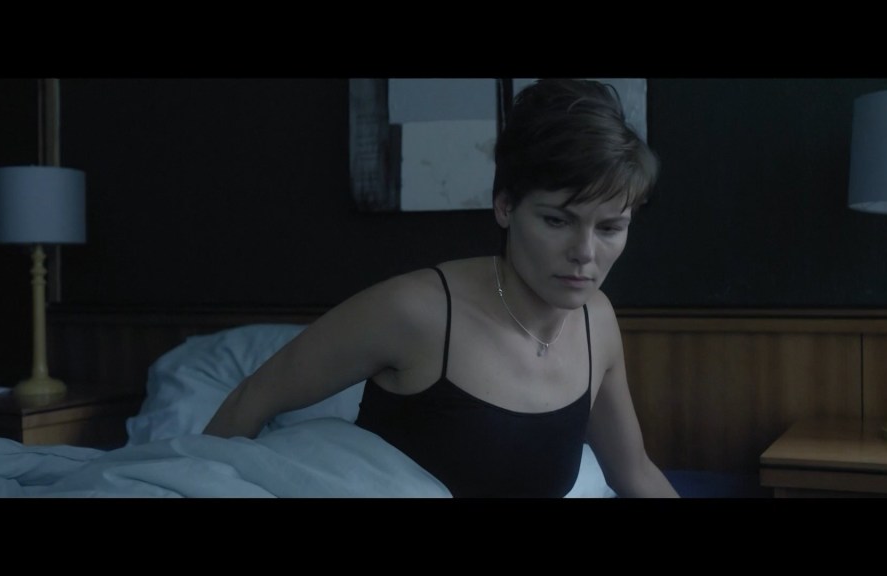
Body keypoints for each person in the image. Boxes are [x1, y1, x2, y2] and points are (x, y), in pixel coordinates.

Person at [204, 78, 679, 498]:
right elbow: (256, 395)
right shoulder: (415, 311)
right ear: (505, 207)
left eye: (610, 228)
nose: (584, 252)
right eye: (557, 220)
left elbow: (634, 472)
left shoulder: (598, 322)